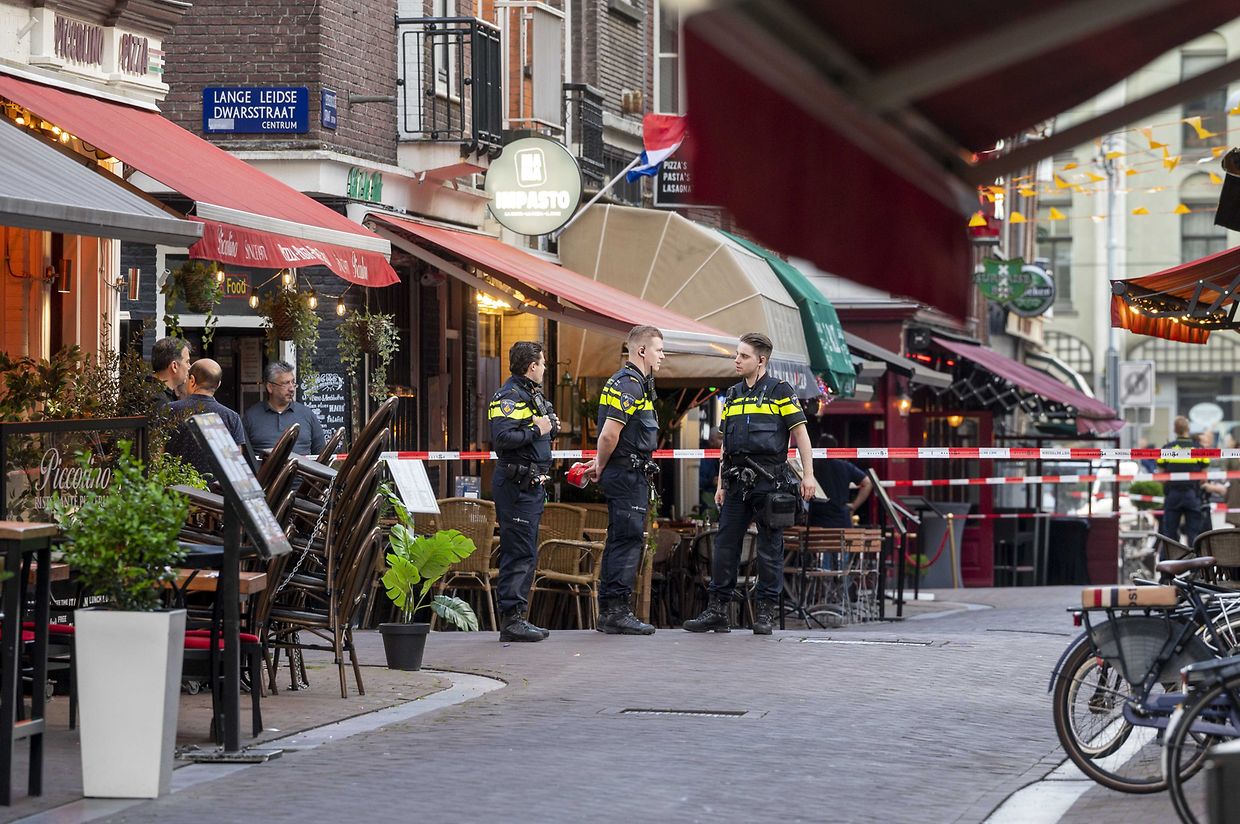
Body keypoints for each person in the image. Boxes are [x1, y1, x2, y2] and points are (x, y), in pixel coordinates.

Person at [684, 332, 816, 635]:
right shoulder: (732, 395)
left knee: (770, 549)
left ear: (761, 360)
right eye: (736, 354)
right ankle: (717, 611)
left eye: (743, 356)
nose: (736, 360)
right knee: (725, 545)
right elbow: (724, 446)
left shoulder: (781, 391)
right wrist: (720, 482)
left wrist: (808, 474)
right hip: (736, 481)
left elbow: (801, 435)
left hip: (770, 481)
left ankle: (765, 614)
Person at [583, 325, 666, 635]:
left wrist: (602, 462)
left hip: (626, 471)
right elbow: (609, 434)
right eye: (658, 349)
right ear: (642, 351)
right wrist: (601, 465)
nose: (662, 355)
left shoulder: (626, 383)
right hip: (627, 474)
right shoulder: (630, 384)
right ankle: (617, 612)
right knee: (628, 541)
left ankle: (610, 612)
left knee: (620, 539)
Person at [488, 341, 558, 643]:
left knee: (525, 551)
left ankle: (518, 617)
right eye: (542, 363)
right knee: (518, 552)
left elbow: (548, 426)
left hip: (530, 486)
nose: (544, 368)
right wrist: (537, 430)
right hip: (516, 485)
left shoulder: (532, 395)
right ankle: (512, 620)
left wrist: (548, 426)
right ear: (532, 366)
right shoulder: (508, 396)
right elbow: (502, 437)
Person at [164, 358, 248, 480]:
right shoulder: (232, 418)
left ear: (192, 380)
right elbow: (235, 467)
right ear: (218, 384)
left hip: (175, 491)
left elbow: (157, 455)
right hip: (214, 496)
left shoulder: (168, 410)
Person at [243, 361, 326, 457]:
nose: (291, 388)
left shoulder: (307, 415)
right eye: (286, 383)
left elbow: (321, 455)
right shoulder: (251, 417)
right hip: (265, 471)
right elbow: (243, 457)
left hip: (301, 472)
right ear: (270, 387)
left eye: (293, 382)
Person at [1158, 415, 1211, 549]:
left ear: (1175, 430)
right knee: (1194, 536)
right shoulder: (1198, 449)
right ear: (1188, 428)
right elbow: (1204, 477)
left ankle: (1168, 568)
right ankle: (1196, 568)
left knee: (1170, 536)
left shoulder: (1167, 449)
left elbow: (1160, 477)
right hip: (1192, 495)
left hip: (1173, 495)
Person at [809, 433, 873, 528]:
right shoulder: (845, 466)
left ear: (818, 448)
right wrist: (853, 506)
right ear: (836, 449)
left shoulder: (811, 467)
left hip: (818, 520)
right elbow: (867, 483)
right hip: (842, 520)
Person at [151, 336, 191, 403]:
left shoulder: (143, 389)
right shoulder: (160, 402)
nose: (189, 367)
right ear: (174, 366)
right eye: (187, 362)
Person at [698, 427, 723, 520]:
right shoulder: (703, 455)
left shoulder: (724, 454)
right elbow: (695, 482)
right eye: (720, 438)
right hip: (707, 500)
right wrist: (711, 481)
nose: (723, 442)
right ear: (711, 441)